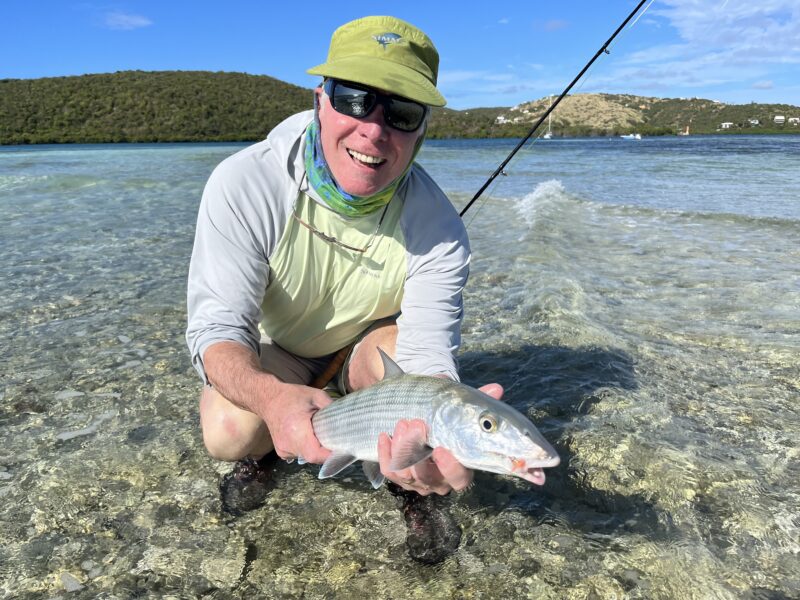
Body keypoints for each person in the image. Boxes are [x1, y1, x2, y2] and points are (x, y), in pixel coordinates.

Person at [185, 15, 504, 505]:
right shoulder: (245, 182)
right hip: (285, 350)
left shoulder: (440, 229)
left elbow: (427, 360)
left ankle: (406, 480)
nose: (374, 130)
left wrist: (437, 431)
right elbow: (218, 332)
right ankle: (305, 428)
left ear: (421, 131)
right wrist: (273, 400)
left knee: (419, 417)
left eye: (401, 113)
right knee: (228, 432)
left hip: (369, 352)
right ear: (319, 101)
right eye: (353, 99)